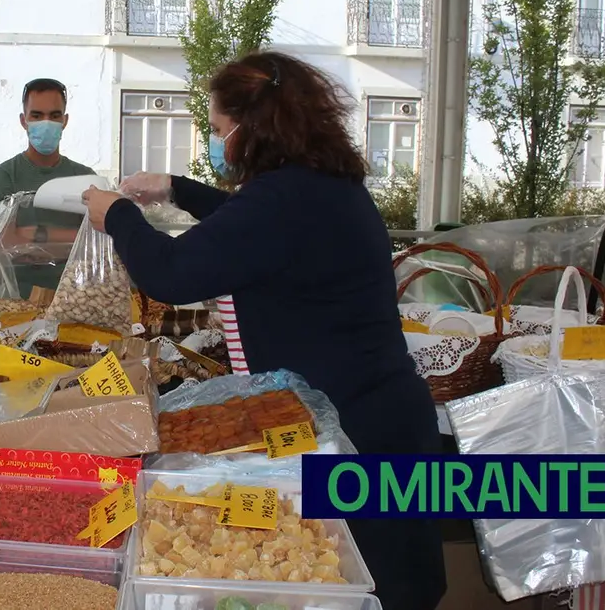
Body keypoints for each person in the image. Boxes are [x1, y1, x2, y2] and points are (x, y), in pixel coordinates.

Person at [82, 51, 446, 610]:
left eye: (219, 129)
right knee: (359, 577)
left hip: (357, 433)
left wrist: (120, 218)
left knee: (365, 583)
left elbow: (173, 273)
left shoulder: (285, 199)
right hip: (375, 413)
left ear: (251, 127)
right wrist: (176, 189)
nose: (217, 141)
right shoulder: (318, 185)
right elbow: (247, 223)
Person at [0, 78, 95, 297]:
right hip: (15, 300)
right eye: (36, 115)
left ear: (65, 121)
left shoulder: (85, 178)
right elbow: (6, 245)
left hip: (73, 301)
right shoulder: (4, 176)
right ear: (23, 120)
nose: (46, 123)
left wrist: (35, 234)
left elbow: (93, 246)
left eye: (54, 116)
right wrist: (70, 242)